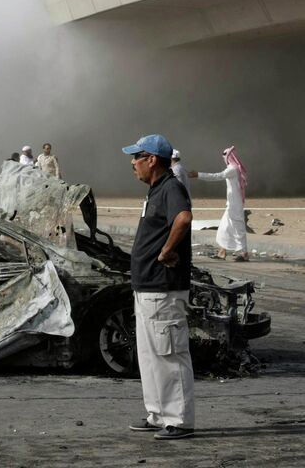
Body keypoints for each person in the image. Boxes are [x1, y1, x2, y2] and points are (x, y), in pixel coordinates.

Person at [122, 134, 195, 440]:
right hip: (147, 287)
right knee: (150, 356)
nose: (132, 163)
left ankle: (179, 420)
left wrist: (166, 251)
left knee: (169, 355)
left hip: (163, 287)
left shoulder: (171, 188)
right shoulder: (155, 191)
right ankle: (157, 414)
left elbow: (184, 218)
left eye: (136, 157)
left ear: (152, 159)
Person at [188, 145, 248, 261]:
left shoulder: (232, 169)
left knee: (238, 227)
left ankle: (244, 253)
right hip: (232, 203)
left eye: (225, 156)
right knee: (224, 227)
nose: (223, 158)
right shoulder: (234, 168)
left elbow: (217, 176)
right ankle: (222, 252)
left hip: (234, 204)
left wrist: (198, 175)